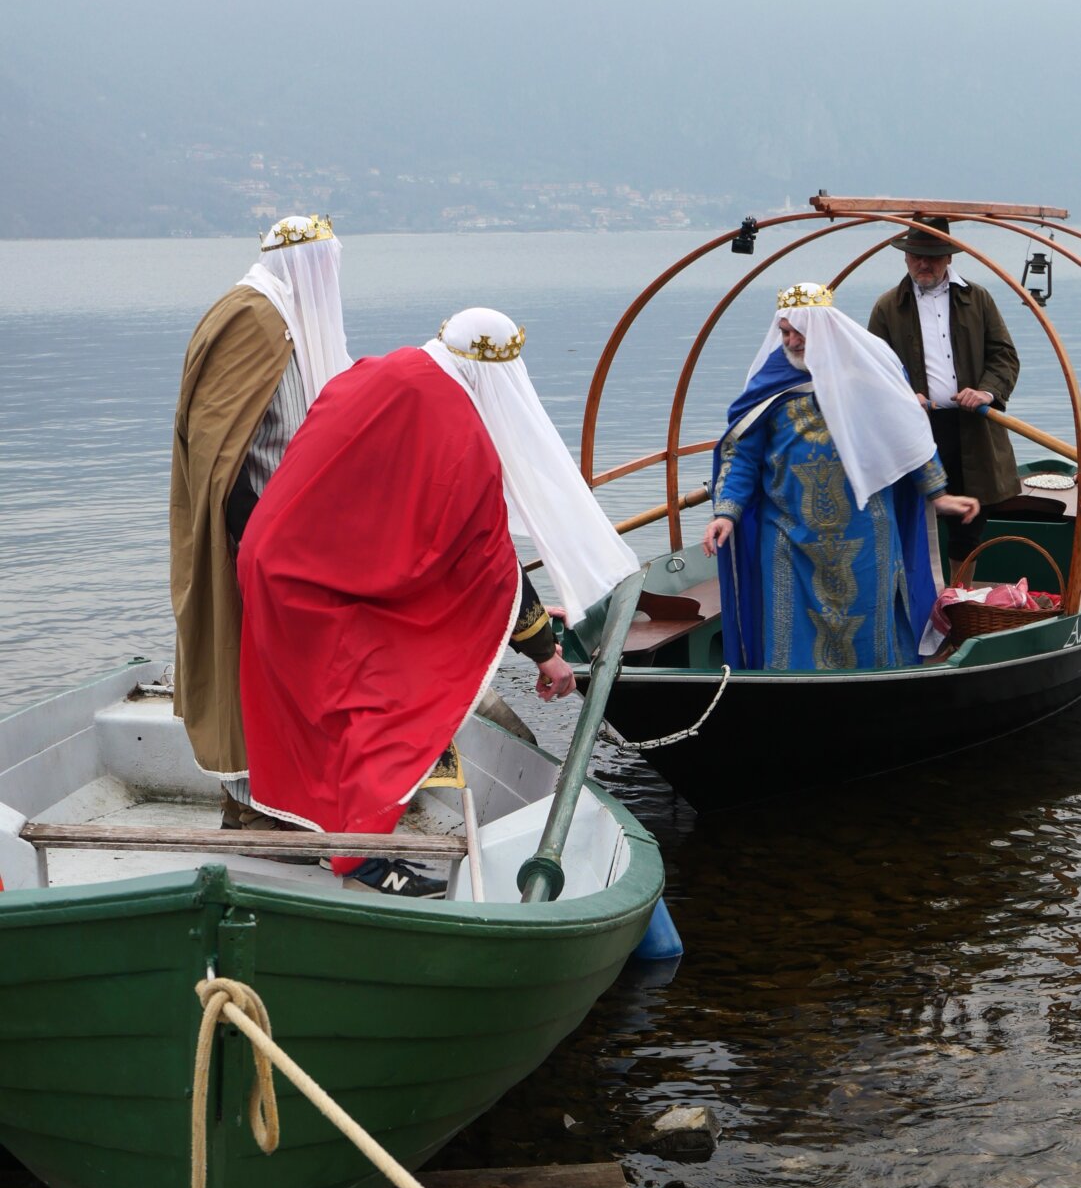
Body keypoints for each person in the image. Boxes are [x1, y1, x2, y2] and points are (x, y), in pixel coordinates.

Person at [236, 306, 639, 894]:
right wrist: (544, 651)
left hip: (277, 562)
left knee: (337, 708)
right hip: (323, 585)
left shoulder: (380, 371)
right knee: (394, 697)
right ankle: (361, 857)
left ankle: (332, 837)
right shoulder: (460, 433)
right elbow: (488, 559)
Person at [169, 214, 351, 827]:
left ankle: (283, 801)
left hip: (297, 539)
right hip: (260, 540)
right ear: (302, 268)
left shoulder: (283, 320)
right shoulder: (254, 319)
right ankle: (253, 808)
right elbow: (221, 453)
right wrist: (263, 542)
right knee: (255, 672)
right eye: (323, 269)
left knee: (291, 677)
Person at [702, 283, 979, 672]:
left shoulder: (867, 375)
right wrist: (726, 513)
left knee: (870, 624)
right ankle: (789, 702)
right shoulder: (769, 382)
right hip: (787, 534)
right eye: (785, 332)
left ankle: (878, 696)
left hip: (865, 533)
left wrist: (939, 494)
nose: (793, 341)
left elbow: (908, 436)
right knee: (791, 633)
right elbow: (742, 454)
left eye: (800, 332)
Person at [867, 217, 1021, 561]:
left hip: (973, 425)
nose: (924, 263)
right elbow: (873, 370)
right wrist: (905, 396)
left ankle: (962, 602)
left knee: (970, 521)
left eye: (933, 256)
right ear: (905, 258)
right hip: (916, 427)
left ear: (949, 257)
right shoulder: (888, 306)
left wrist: (986, 392)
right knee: (918, 515)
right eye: (916, 256)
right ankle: (925, 603)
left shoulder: (977, 298)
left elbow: (1004, 355)